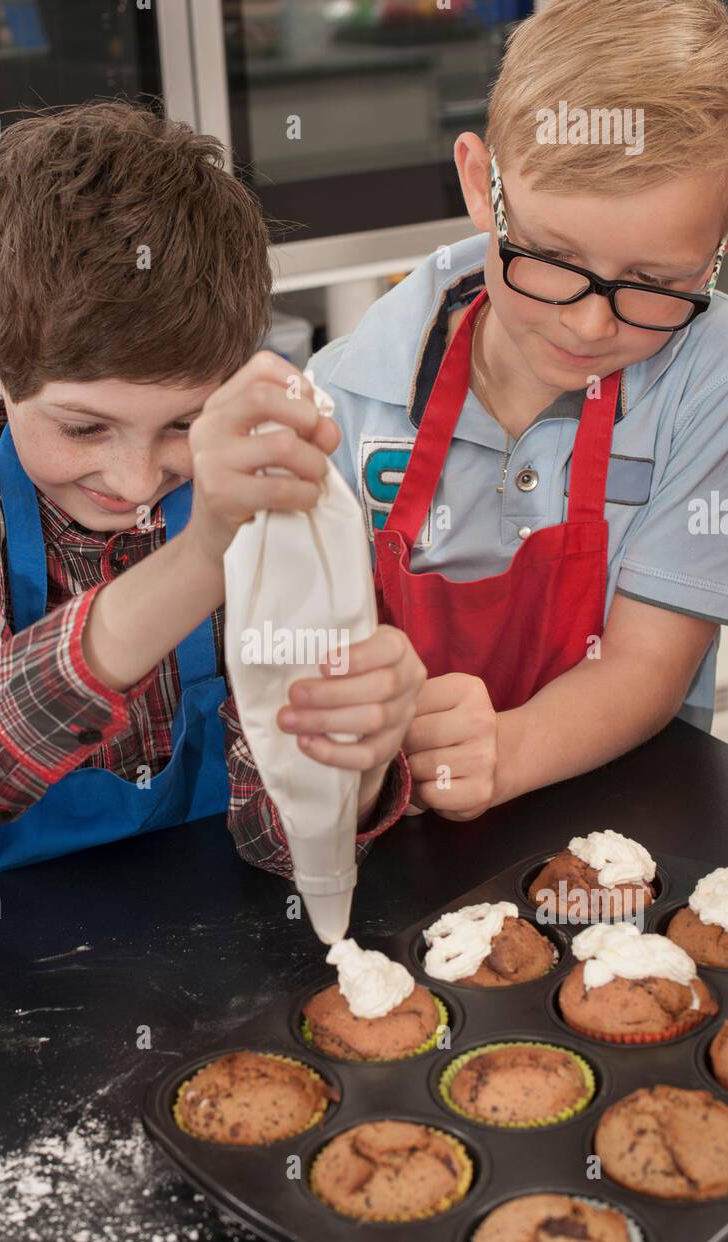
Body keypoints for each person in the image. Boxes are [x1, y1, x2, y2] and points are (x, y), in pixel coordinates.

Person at [0, 100, 423, 900]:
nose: (132, 481)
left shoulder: (265, 510)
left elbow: (284, 845)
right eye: (84, 427)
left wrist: (352, 766)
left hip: (213, 940)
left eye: (184, 424)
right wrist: (196, 565)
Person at [304, 0, 728, 821]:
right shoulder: (347, 392)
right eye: (552, 257)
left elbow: (646, 664)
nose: (590, 325)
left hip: (628, 823)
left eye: (656, 284)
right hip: (391, 817)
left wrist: (506, 752)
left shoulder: (707, 381)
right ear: (479, 184)